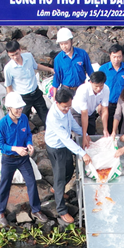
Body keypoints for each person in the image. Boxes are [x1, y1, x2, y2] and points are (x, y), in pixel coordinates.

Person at [0, 93, 49, 227]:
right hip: (9, 159)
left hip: (23, 158)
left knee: (31, 182)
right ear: (9, 108)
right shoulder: (1, 126)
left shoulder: (24, 118)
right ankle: (0, 212)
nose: (19, 111)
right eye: (16, 108)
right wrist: (15, 148)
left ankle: (36, 209)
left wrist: (29, 143)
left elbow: (28, 134)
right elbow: (0, 145)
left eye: (20, 108)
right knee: (5, 185)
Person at [45, 88, 92, 224]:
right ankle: (61, 210)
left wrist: (85, 135)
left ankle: (56, 189)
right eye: (64, 107)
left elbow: (72, 124)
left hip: (64, 146)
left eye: (69, 107)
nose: (67, 110)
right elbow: (65, 138)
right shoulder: (54, 117)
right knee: (59, 178)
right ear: (57, 102)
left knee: (70, 170)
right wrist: (83, 153)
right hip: (56, 147)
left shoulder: (66, 111)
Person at [3, 40, 54, 128]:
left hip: (36, 93)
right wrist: (11, 103)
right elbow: (8, 86)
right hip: (23, 98)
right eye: (12, 55)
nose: (15, 57)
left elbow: (36, 66)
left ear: (20, 50)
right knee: (22, 122)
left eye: (16, 53)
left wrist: (50, 70)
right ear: (8, 54)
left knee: (46, 117)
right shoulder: (8, 68)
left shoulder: (28, 56)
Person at [98, 44, 124, 134]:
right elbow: (98, 87)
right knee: (109, 130)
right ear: (110, 55)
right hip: (108, 104)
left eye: (119, 57)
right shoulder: (103, 69)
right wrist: (99, 104)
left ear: (122, 57)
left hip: (123, 104)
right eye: (114, 57)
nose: (116, 60)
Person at [72, 72, 110, 149]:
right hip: (78, 112)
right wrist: (84, 135)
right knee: (81, 136)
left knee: (91, 136)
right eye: (96, 86)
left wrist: (105, 129)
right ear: (91, 82)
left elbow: (105, 110)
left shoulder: (106, 89)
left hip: (91, 112)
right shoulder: (83, 90)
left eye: (101, 86)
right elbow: (84, 113)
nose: (99, 89)